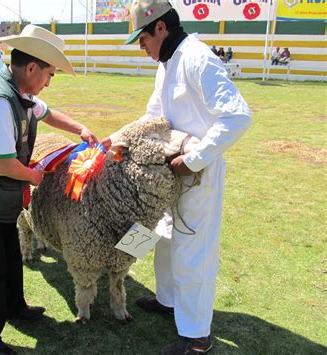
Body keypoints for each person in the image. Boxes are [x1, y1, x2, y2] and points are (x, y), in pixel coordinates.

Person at [102, 1, 252, 353]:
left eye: (143, 38)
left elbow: (237, 116)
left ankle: (198, 337)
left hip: (197, 177)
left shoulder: (199, 59)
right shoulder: (167, 63)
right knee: (162, 237)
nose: (142, 46)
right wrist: (121, 137)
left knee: (192, 253)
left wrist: (195, 159)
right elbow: (154, 114)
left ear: (160, 28)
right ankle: (168, 301)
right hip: (165, 175)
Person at [0, 24, 98, 355]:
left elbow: (48, 114)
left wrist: (80, 128)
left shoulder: (23, 93)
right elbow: (5, 165)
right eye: (49, 75)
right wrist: (35, 176)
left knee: (11, 257)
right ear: (31, 68)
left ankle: (16, 308)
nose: (48, 83)